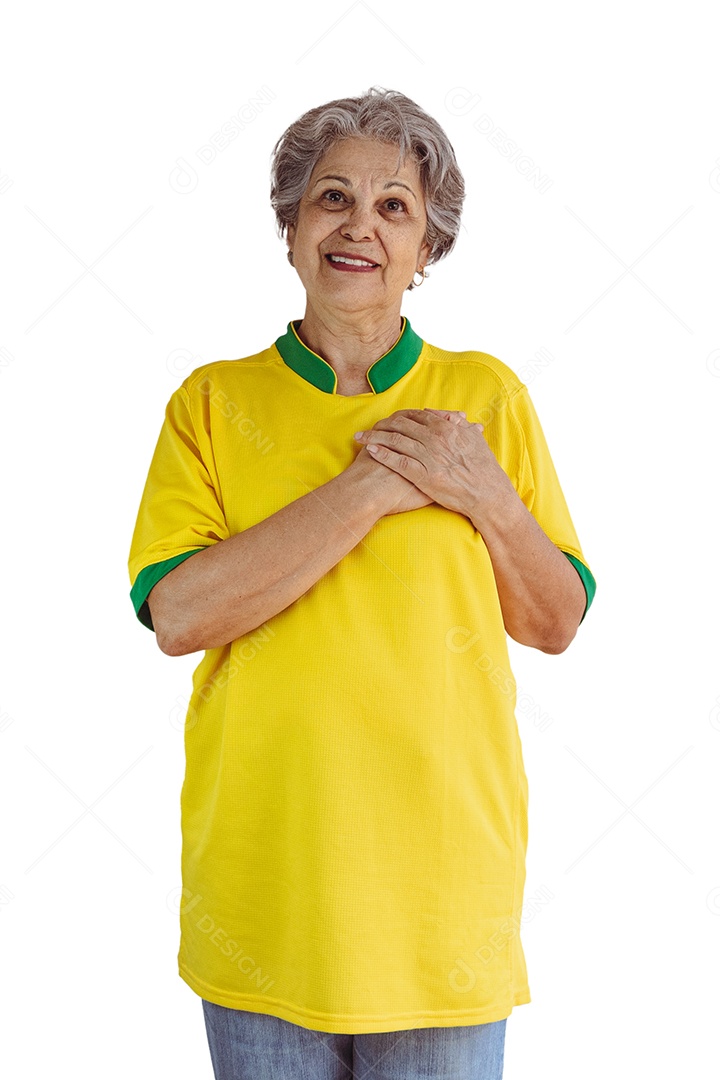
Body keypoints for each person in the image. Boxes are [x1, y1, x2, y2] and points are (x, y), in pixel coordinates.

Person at [128, 86, 597, 1080]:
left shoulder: (484, 400)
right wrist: (373, 486)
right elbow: (178, 613)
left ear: (428, 248)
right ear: (292, 228)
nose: (360, 227)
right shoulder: (212, 404)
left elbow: (554, 621)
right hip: (267, 897)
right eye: (331, 198)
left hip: (441, 910)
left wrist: (484, 495)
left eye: (395, 208)